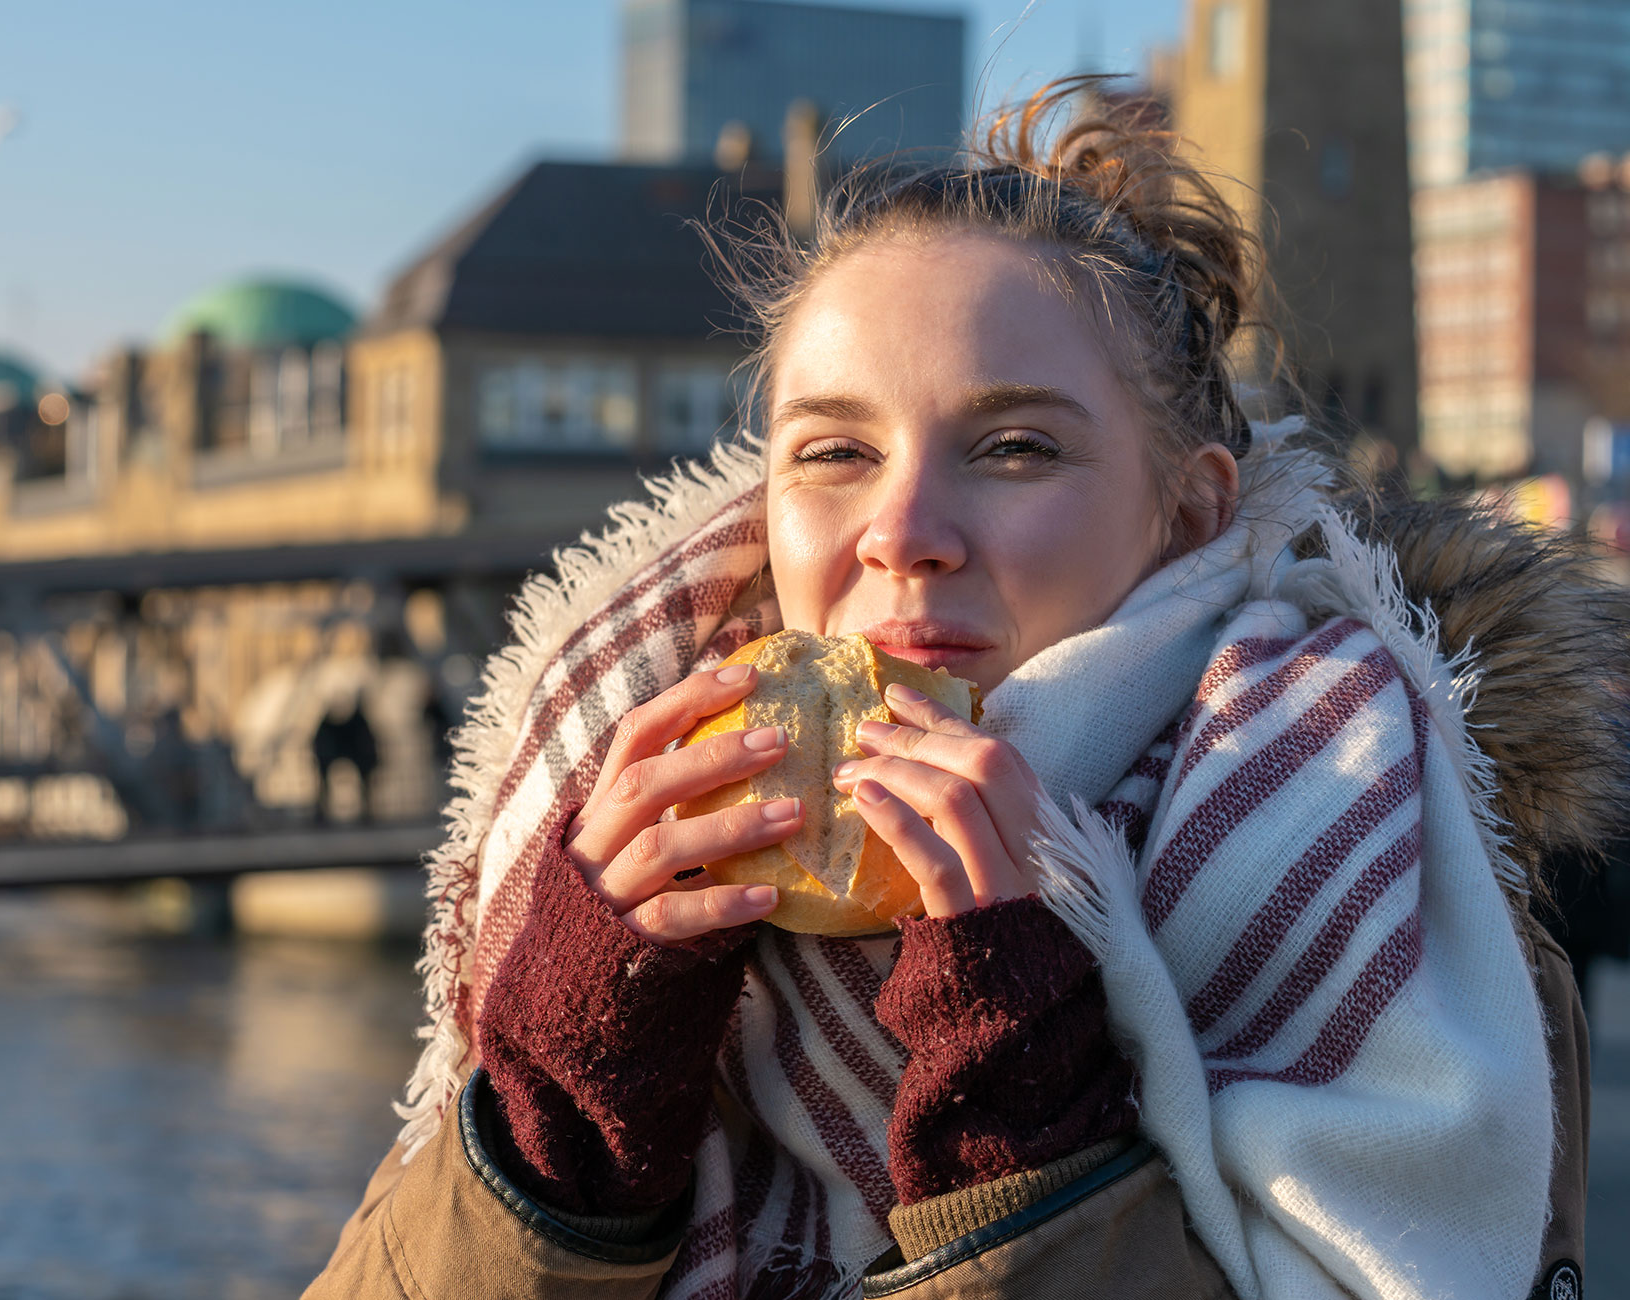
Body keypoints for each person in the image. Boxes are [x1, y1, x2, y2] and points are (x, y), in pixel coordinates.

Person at [306, 82, 1620, 1300]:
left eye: (1013, 447)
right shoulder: (600, 806)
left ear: (1187, 509)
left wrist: (1022, 1123)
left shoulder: (1372, 838)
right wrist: (562, 1118)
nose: (902, 528)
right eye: (834, 450)